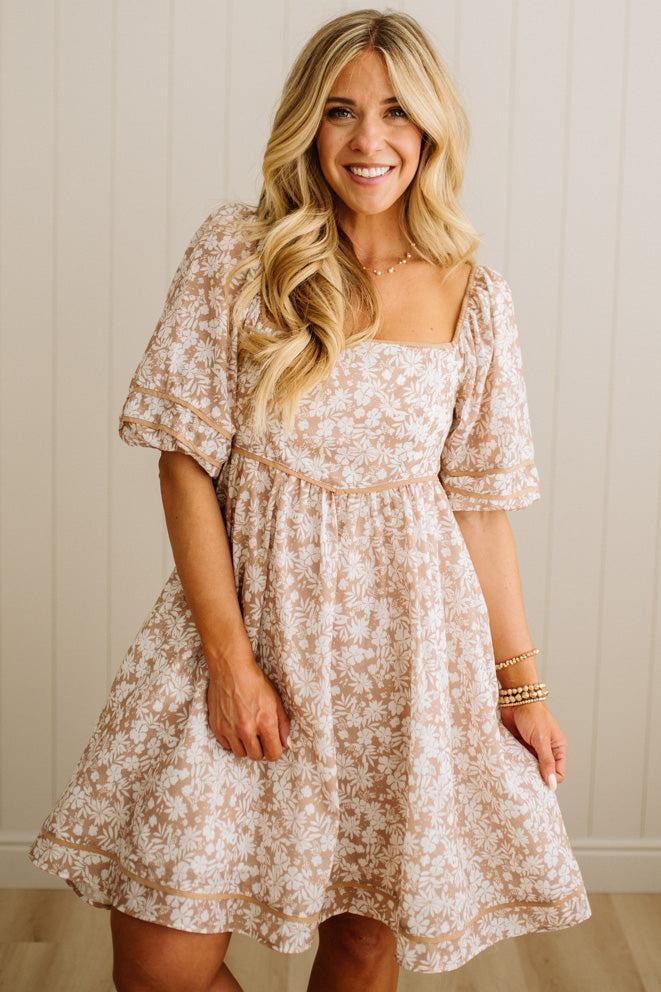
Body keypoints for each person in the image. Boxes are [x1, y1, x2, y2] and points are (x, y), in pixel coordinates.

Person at [27, 9, 592, 991]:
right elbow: (185, 460)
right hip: (244, 636)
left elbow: (479, 504)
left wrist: (522, 684)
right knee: (161, 963)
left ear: (429, 129)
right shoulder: (241, 254)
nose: (367, 140)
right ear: (306, 124)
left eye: (393, 113)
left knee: (362, 939)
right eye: (339, 112)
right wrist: (230, 660)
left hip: (405, 658)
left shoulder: (474, 293)